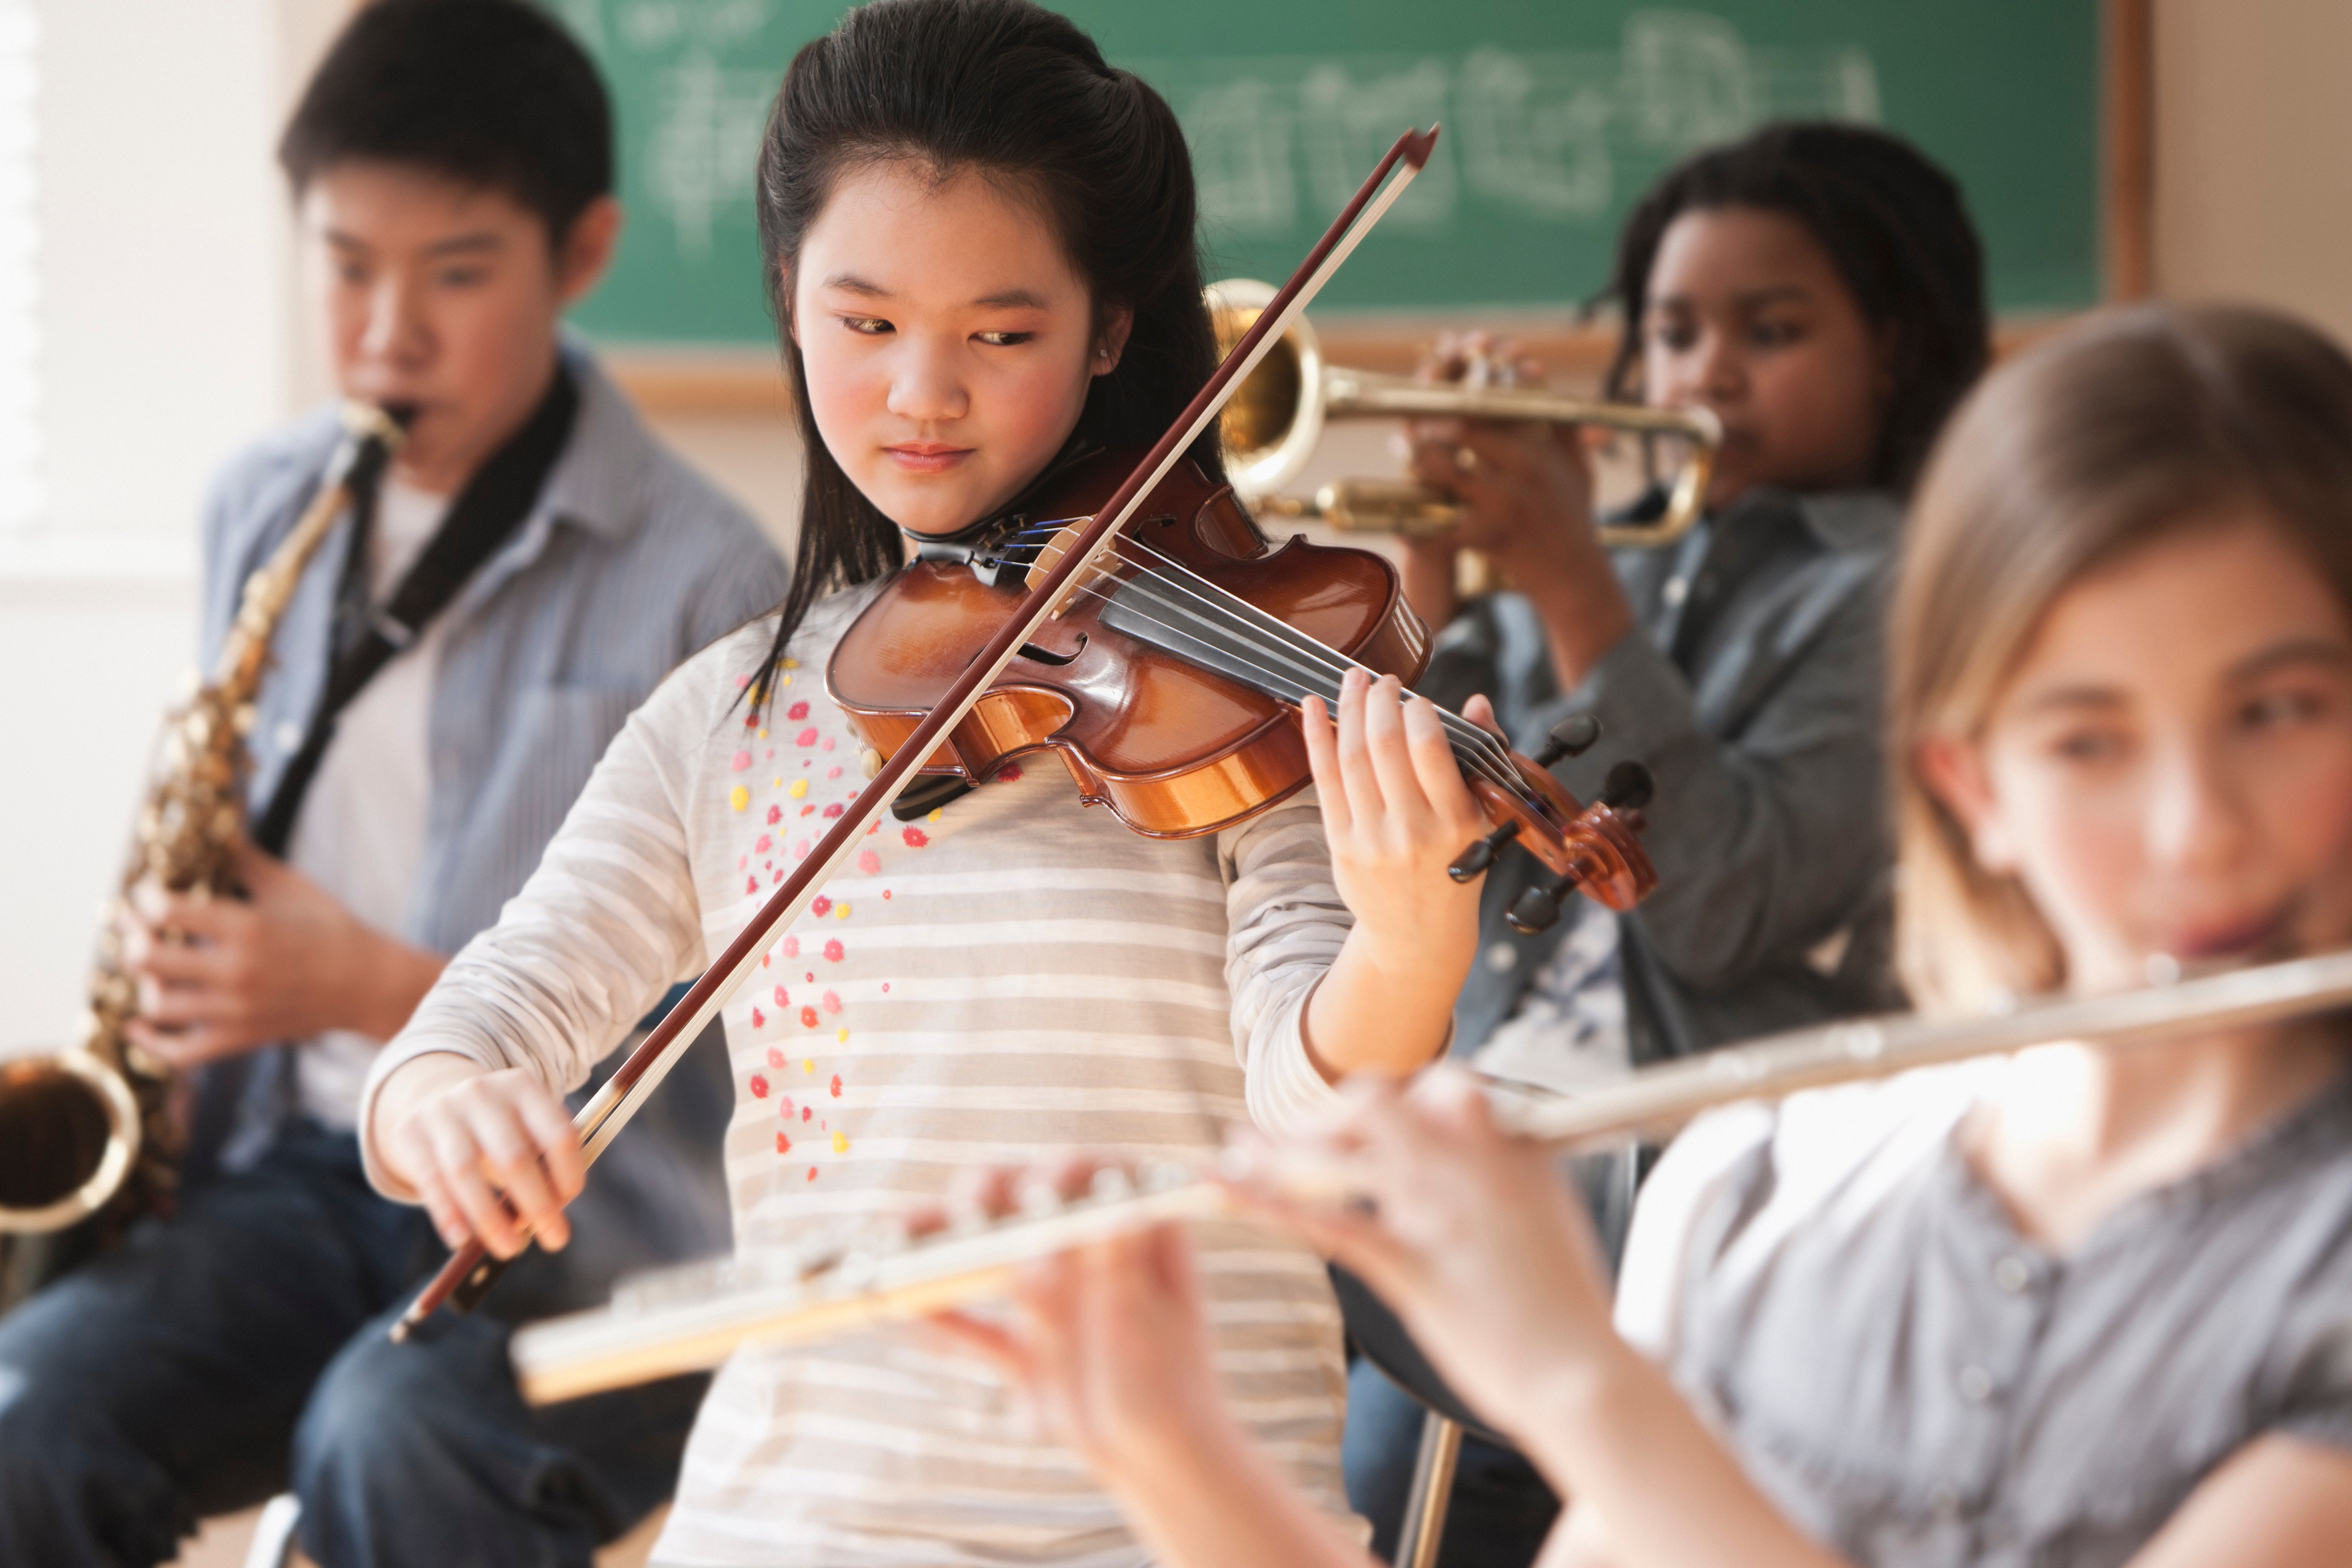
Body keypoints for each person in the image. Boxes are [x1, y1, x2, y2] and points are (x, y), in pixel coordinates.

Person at [947, 301, 2352, 1568]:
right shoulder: (1759, 1187)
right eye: (2089, 740)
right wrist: (1173, 1457)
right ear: (1968, 784)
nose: (2196, 832)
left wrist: (1573, 1378)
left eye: (2278, 712)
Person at [356, 1, 1493, 1563]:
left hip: (1186, 1531)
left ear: (1110, 334)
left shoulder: (1238, 701)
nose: (922, 395)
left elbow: (1309, 1112)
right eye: (867, 322)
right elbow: (486, 1015)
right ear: (791, 302)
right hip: (801, 1524)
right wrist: (448, 1104)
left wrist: (1411, 944)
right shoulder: (733, 720)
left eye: (1003, 335)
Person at [0, 4, 789, 1565]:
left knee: (387, 1432)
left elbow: (730, 1049)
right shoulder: (262, 501)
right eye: (348, 264)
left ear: (582, 252)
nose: (384, 336)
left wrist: (364, 987)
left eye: (456, 274)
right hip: (290, 1177)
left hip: (595, 1226)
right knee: (29, 1410)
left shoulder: (714, 582)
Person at [1345, 121, 1993, 1562]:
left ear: (1891, 347)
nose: (1706, 373)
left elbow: (1720, 904)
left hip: (1716, 1206)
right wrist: (1439, 569)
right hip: (1491, 1160)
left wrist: (1575, 581)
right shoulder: (1624, 545)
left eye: (1772, 330)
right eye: (1674, 330)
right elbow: (1442, 829)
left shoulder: (1908, 581)